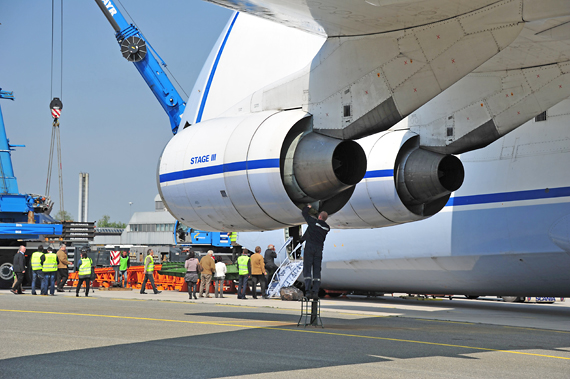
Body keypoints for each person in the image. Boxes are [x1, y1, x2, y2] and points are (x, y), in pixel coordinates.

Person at [301, 204, 330, 300]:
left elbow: (304, 213)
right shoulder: (326, 228)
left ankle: (308, 291)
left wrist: (308, 207)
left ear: (319, 216)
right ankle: (315, 293)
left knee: (307, 269)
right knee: (317, 271)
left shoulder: (313, 223)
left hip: (310, 247)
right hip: (319, 249)